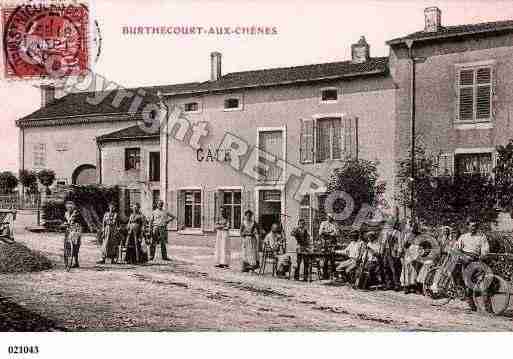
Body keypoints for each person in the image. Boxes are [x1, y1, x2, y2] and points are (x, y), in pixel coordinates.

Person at [400, 222, 421, 294]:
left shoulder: (420, 235)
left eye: (416, 227)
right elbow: (405, 246)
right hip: (409, 254)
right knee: (407, 270)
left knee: (415, 271)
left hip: (417, 255)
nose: (415, 228)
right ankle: (406, 287)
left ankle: (414, 287)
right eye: (414, 227)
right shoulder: (409, 235)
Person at [380, 219, 402, 290]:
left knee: (394, 268)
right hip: (386, 251)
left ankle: (396, 284)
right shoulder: (385, 232)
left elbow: (400, 244)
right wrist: (381, 251)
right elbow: (383, 243)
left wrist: (399, 253)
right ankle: (389, 283)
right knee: (386, 267)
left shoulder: (397, 233)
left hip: (393, 252)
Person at [319, 213, 339, 279]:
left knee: (332, 259)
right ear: (327, 217)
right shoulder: (323, 223)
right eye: (328, 217)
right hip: (325, 243)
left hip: (332, 243)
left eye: (331, 217)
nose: (329, 218)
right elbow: (321, 232)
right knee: (325, 259)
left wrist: (327, 233)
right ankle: (325, 275)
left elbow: (336, 233)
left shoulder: (334, 225)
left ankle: (333, 275)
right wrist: (330, 233)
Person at [64, 201, 82, 268]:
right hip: (69, 229)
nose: (69, 208)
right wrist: (65, 223)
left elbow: (77, 220)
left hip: (76, 230)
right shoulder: (66, 213)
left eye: (71, 207)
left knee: (76, 245)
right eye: (68, 207)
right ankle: (70, 258)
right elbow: (65, 220)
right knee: (69, 244)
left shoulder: (76, 213)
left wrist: (73, 223)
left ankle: (76, 261)